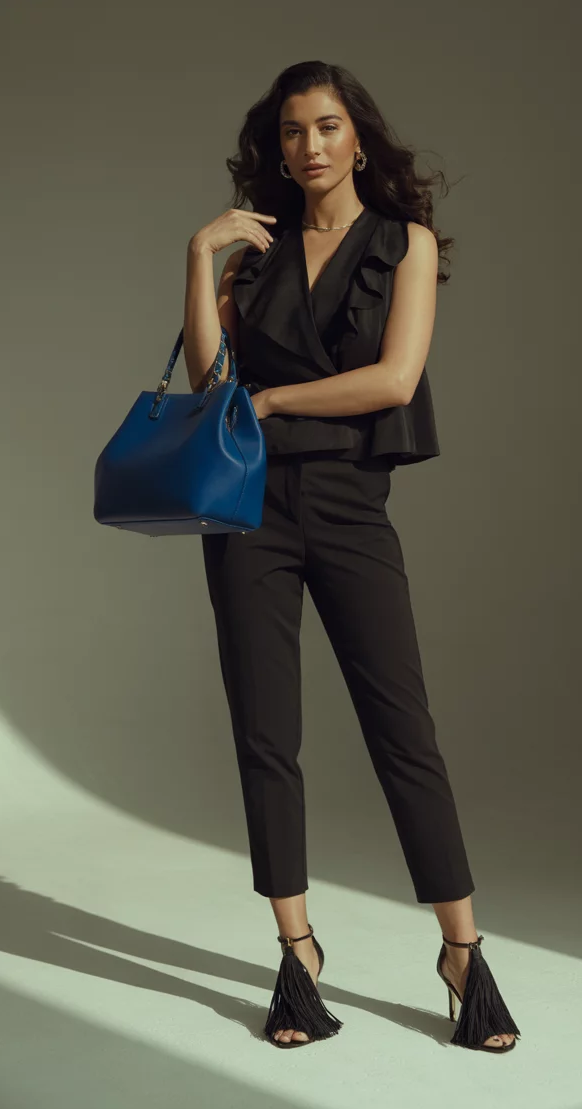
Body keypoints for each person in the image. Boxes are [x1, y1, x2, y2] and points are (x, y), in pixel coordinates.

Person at [182, 60, 521, 1053]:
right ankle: (296, 953)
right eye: (292, 132)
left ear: (358, 137)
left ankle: (461, 951)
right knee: (265, 732)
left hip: (344, 504)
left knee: (401, 728)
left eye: (326, 126)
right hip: (245, 506)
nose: (310, 146)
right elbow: (211, 383)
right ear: (277, 148)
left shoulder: (400, 243)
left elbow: (394, 375)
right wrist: (198, 258)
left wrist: (278, 400)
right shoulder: (256, 248)